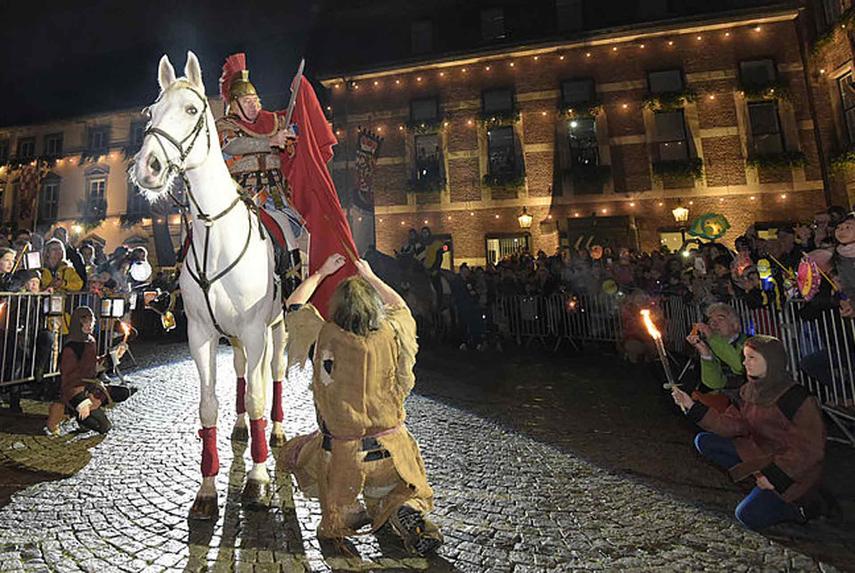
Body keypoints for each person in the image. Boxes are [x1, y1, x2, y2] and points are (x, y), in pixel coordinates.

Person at [280, 254, 443, 556]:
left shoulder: (323, 334)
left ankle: (347, 514)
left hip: (344, 456)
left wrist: (321, 272)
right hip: (393, 452)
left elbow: (293, 305)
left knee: (296, 455)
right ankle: (401, 509)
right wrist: (370, 276)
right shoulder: (393, 332)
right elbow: (400, 307)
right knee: (401, 490)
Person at [671, 336, 826, 531]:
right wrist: (692, 407)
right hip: (762, 454)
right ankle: (757, 482)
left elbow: (809, 449)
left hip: (794, 471)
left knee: (747, 515)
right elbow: (731, 425)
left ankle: (801, 508)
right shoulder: (748, 391)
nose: (745, 363)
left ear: (771, 361)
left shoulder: (797, 398)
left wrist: (774, 477)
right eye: (745, 357)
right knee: (705, 442)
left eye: (751, 358)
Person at [216, 52, 304, 296]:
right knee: (200, 232)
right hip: (238, 195)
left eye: (255, 99)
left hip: (272, 195)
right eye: (246, 101)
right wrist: (270, 141)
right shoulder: (225, 124)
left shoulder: (273, 122)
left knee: (289, 235)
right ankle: (174, 295)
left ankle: (293, 293)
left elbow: (292, 138)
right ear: (234, 104)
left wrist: (290, 137)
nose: (253, 105)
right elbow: (233, 146)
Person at [44, 307, 126, 435]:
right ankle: (74, 414)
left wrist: (114, 356)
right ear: (78, 323)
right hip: (74, 390)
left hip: (89, 387)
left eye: (91, 322)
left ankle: (82, 417)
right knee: (103, 426)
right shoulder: (71, 348)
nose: (90, 325)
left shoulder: (90, 340)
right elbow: (69, 378)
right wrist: (80, 400)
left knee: (120, 396)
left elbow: (94, 364)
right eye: (85, 322)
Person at [686, 303, 748, 412]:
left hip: (748, 399)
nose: (714, 324)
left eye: (720, 319)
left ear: (734, 324)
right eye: (711, 321)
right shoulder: (713, 345)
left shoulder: (747, 343)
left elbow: (740, 366)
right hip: (726, 399)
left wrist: (712, 337)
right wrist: (706, 354)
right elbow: (713, 382)